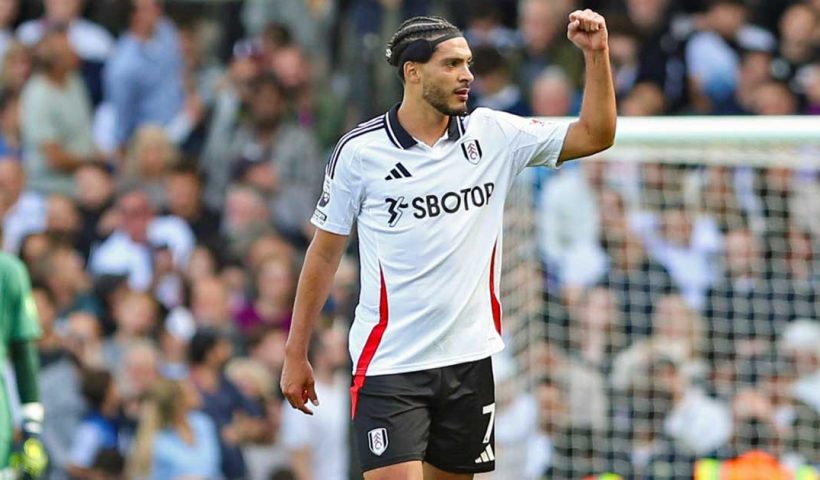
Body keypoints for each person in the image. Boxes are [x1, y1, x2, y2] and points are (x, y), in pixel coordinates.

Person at [281, 10, 615, 480]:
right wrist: (296, 352)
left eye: (469, 63)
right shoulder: (359, 153)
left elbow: (596, 134)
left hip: (468, 361)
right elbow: (324, 253)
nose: (467, 76)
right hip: (390, 364)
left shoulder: (495, 134)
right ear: (412, 73)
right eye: (452, 64)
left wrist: (597, 56)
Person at [0, 229, 48, 479]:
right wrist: (32, 426)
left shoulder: (8, 270)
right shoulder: (9, 270)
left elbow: (24, 354)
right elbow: (24, 355)